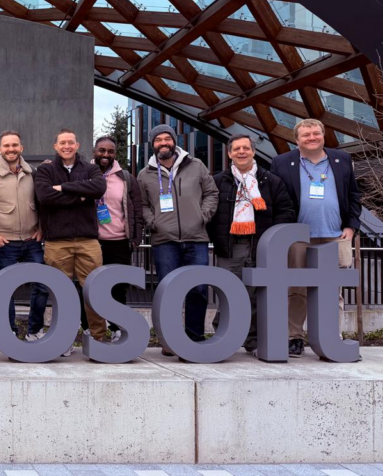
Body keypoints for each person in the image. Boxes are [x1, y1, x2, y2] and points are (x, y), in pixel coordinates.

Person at [271, 118, 362, 357]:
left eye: (316, 133)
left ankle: (332, 339)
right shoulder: (282, 162)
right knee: (297, 289)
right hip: (298, 237)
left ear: (323, 135)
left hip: (335, 235)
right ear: (297, 140)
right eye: (306, 135)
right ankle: (294, 337)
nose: (312, 138)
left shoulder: (342, 159)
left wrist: (351, 226)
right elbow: (275, 199)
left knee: (333, 291)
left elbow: (354, 195)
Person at [208, 134, 295, 353]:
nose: (242, 152)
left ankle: (253, 341)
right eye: (237, 149)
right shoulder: (218, 181)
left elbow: (286, 211)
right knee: (228, 291)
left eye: (246, 148)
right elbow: (209, 213)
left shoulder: (271, 181)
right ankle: (223, 336)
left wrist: (271, 237)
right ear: (229, 153)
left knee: (256, 294)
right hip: (230, 246)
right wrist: (216, 237)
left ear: (253, 151)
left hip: (261, 245)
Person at [138, 124, 219, 351]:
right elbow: (142, 205)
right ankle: (171, 342)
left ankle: (194, 338)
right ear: (153, 145)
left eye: (167, 138)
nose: (163, 143)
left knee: (198, 289)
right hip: (164, 241)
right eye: (158, 140)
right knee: (168, 292)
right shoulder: (145, 174)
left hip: (196, 238)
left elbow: (212, 193)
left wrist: (203, 216)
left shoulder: (196, 165)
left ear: (174, 141)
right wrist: (153, 222)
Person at [35, 128, 107, 352]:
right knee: (61, 293)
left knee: (94, 290)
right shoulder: (45, 170)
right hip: (57, 242)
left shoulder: (91, 168)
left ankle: (99, 338)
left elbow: (99, 187)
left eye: (70, 143)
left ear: (77, 146)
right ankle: (63, 340)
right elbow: (45, 197)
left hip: (88, 241)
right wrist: (81, 196)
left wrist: (64, 188)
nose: (67, 146)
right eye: (62, 143)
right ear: (55, 146)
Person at [0, 130, 47, 340]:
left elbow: (44, 205)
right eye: (7, 146)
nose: (11, 149)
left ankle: (34, 331)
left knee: (42, 286)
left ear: (21, 148)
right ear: (0, 149)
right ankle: (10, 334)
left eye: (15, 145)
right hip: (5, 243)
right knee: (5, 290)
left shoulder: (34, 174)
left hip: (32, 241)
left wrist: (42, 228)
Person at [91, 136, 145, 338]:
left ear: (115, 153)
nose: (105, 154)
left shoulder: (126, 178)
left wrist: (136, 238)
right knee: (88, 287)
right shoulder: (85, 173)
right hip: (91, 241)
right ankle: (91, 330)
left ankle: (116, 328)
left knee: (118, 288)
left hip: (119, 241)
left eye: (110, 151)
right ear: (94, 151)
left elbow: (137, 210)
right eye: (101, 150)